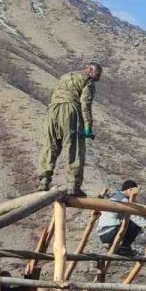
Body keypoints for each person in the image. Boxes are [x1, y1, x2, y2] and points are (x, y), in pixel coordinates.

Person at [36, 62, 102, 197]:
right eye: (97, 74)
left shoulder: (65, 76)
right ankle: (73, 186)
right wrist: (88, 126)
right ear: (90, 70)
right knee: (75, 148)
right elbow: (85, 104)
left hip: (52, 110)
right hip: (71, 111)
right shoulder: (88, 81)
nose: (98, 78)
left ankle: (44, 180)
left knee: (50, 145)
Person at [97, 180, 146, 257]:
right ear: (130, 190)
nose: (137, 194)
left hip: (103, 233)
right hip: (111, 232)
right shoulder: (123, 200)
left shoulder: (114, 196)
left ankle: (118, 246)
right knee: (135, 223)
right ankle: (125, 247)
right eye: (136, 192)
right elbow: (135, 217)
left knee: (128, 221)